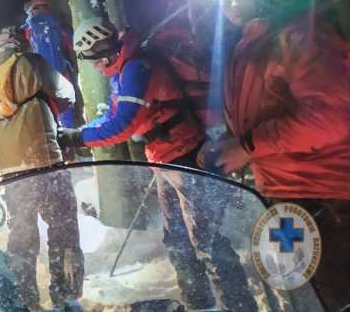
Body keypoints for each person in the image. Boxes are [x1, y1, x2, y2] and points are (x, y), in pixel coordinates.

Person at [61, 17, 256, 312]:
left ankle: (240, 305)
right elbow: (115, 116)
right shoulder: (124, 70)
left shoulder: (136, 67)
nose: (96, 68)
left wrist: (78, 138)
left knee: (206, 239)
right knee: (177, 236)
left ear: (103, 49)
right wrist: (82, 132)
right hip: (165, 158)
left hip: (184, 156)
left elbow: (123, 124)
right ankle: (198, 302)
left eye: (94, 59)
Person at [199, 0, 350, 311]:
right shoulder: (253, 44)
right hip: (287, 201)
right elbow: (264, 116)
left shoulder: (299, 38)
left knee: (328, 299)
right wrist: (229, 143)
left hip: (327, 202)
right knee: (301, 301)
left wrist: (249, 145)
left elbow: (329, 119)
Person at [0, 26, 84, 308]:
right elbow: (67, 93)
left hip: (11, 171)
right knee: (63, 228)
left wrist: (0, 146)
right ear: (22, 42)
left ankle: (24, 300)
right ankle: (65, 298)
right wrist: (47, 111)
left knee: (21, 237)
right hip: (46, 161)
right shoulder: (30, 61)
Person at [21, 0, 83, 128]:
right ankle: (70, 136)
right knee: (66, 107)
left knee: (45, 110)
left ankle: (56, 136)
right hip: (61, 72)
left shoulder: (25, 30)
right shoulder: (59, 25)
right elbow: (74, 44)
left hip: (38, 77)